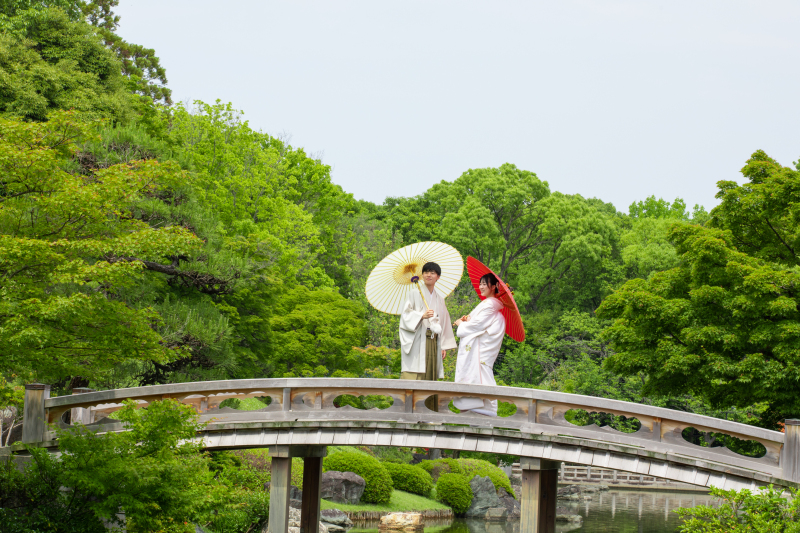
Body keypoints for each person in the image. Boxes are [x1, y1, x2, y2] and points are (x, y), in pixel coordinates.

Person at [399, 262, 457, 411]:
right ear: (422, 275)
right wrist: (421, 316)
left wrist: (443, 345)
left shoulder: (439, 298)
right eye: (425, 272)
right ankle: (409, 411)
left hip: (433, 341)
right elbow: (405, 315)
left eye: (432, 273)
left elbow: (444, 321)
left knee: (430, 374)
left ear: (438, 277)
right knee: (415, 373)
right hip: (418, 338)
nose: (428, 275)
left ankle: (427, 412)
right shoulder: (414, 292)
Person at [452, 273, 506, 417]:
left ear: (493, 287)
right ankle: (486, 410)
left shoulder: (490, 305)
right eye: (480, 283)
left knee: (481, 375)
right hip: (481, 352)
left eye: (485, 284)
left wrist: (462, 324)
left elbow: (476, 326)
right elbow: (477, 322)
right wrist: (468, 319)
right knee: (483, 376)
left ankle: (485, 410)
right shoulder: (489, 305)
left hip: (480, 352)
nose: (481, 287)